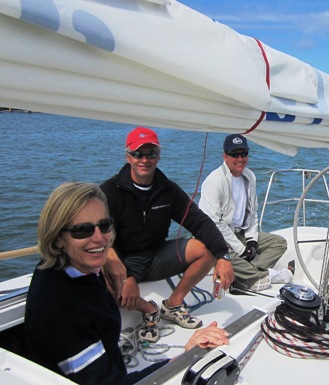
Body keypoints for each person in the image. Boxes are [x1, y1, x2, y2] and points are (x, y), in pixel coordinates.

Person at [25, 182, 230, 385]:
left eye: (104, 225)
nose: (99, 238)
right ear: (58, 238)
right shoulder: (61, 307)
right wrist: (189, 356)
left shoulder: (70, 270)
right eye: (82, 230)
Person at [100, 127, 235, 343]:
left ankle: (172, 305)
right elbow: (101, 237)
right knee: (98, 274)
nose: (144, 159)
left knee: (205, 249)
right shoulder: (109, 191)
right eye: (138, 154)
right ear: (128, 157)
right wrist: (127, 278)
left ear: (158, 156)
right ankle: (149, 309)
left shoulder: (168, 189)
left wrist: (223, 256)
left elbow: (198, 220)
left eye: (151, 154)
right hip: (123, 260)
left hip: (156, 256)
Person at [199, 134, 291, 292]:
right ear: (225, 156)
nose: (240, 159)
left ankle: (247, 274)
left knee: (279, 243)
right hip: (217, 239)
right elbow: (214, 222)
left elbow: (252, 213)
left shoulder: (250, 177)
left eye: (244, 153)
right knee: (259, 284)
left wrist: (252, 241)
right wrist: (241, 250)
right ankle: (267, 274)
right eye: (234, 154)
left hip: (239, 233)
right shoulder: (214, 181)